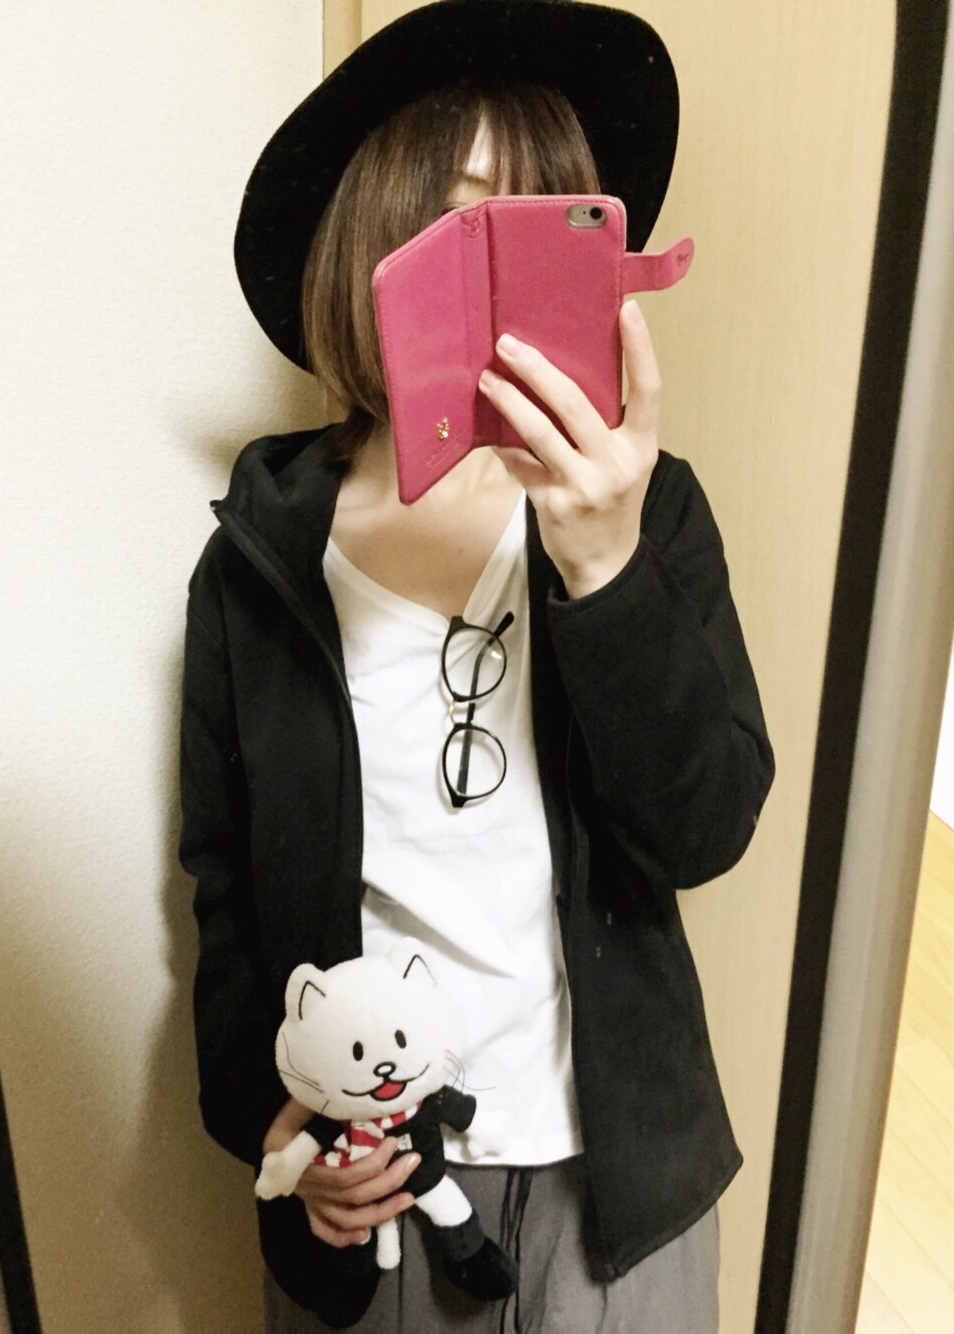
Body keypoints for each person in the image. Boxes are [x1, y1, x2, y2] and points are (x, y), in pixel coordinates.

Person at [179, 3, 774, 1330]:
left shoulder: (646, 508)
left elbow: (705, 826)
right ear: (370, 246)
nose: (503, 270)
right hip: (381, 1175)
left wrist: (607, 568)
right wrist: (277, 1132)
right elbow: (224, 886)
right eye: (459, 219)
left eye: (546, 224)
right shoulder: (259, 559)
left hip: (617, 1180)